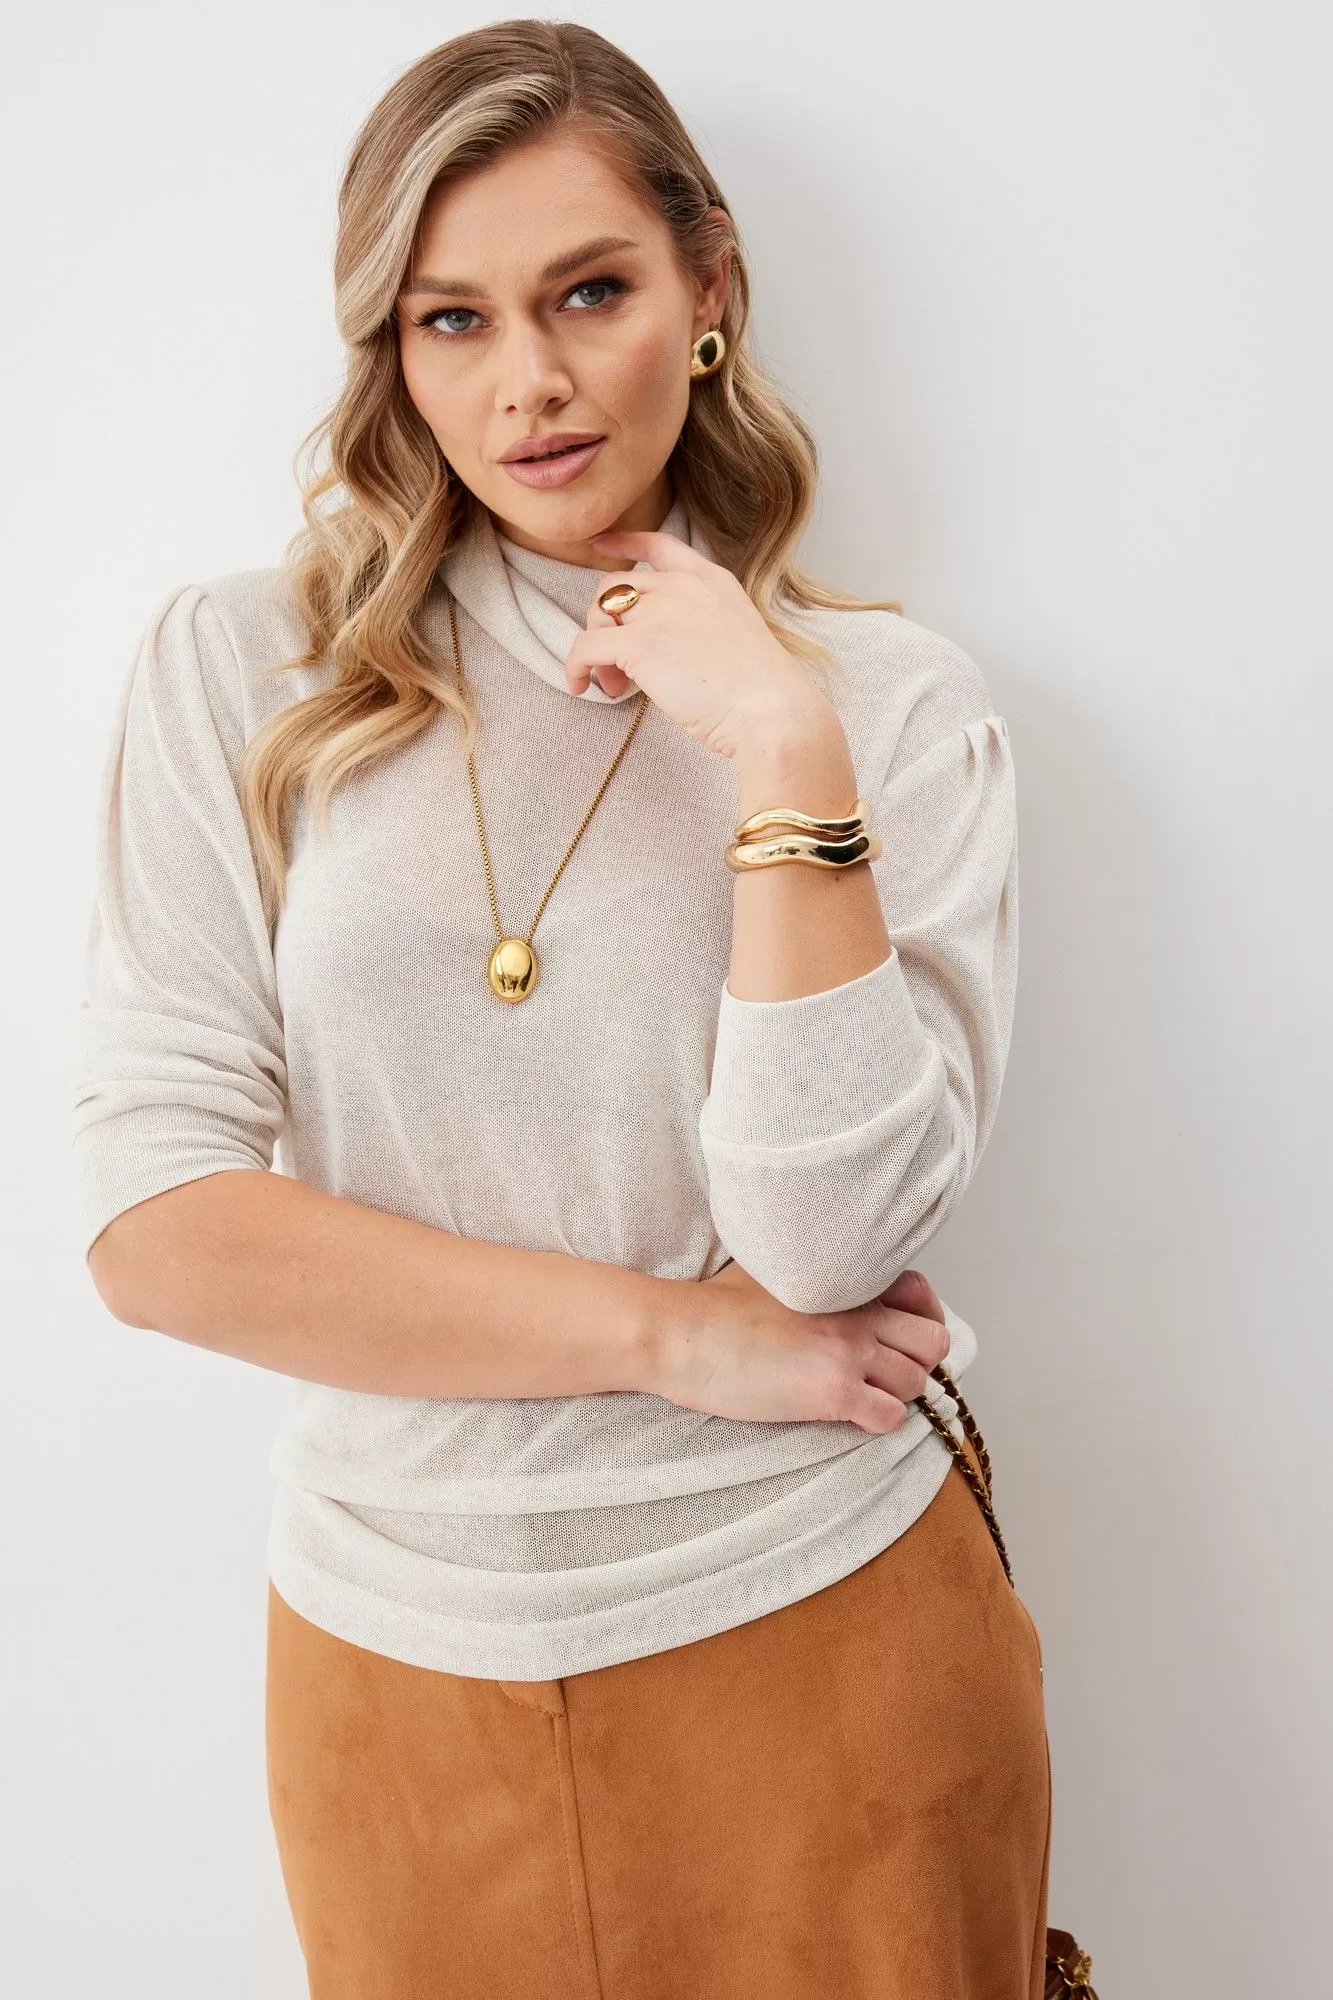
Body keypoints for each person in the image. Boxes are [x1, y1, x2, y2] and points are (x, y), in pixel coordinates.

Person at [71, 20, 1046, 1998]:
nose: (526, 380)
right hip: (390, 1666)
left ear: (709, 291)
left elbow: (829, 1239)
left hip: (826, 1633)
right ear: (393, 352)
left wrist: (782, 744)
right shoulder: (243, 671)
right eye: (453, 320)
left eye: (589, 292)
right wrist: (677, 1339)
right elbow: (161, 1231)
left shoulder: (886, 707)